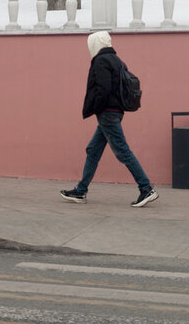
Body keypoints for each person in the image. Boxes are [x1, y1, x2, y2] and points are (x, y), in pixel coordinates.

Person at [61, 30, 158, 207]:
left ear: (96, 44)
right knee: (93, 150)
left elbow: (103, 89)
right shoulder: (117, 60)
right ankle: (81, 191)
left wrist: (96, 108)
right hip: (115, 111)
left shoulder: (101, 60)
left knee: (122, 150)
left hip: (108, 113)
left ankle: (146, 188)